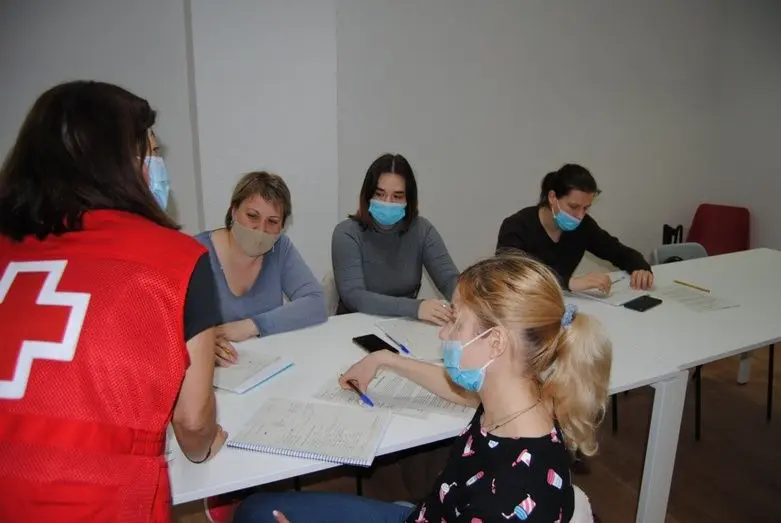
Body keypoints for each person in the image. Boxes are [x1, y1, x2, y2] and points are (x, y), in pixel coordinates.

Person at [232, 252, 613, 523]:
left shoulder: (508, 500)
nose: (444, 334)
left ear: (496, 343)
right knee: (255, 510)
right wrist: (386, 359)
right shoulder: (521, 395)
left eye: (457, 323)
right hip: (429, 512)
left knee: (257, 515)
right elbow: (458, 391)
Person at [0, 80, 226, 522]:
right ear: (118, 163)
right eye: (150, 153)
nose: (157, 167)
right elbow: (193, 422)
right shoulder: (175, 260)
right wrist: (206, 446)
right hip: (99, 503)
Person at [195, 171, 327, 366]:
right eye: (252, 216)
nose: (260, 229)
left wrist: (251, 326)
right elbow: (169, 326)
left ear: (282, 226)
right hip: (213, 370)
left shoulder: (279, 248)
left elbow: (316, 303)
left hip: (267, 366)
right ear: (234, 211)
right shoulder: (195, 252)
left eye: (272, 222)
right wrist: (200, 345)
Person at [332, 153, 458, 325]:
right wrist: (415, 308)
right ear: (368, 195)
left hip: (405, 325)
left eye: (397, 196)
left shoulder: (422, 229)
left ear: (409, 200)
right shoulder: (347, 233)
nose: (388, 202)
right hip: (355, 326)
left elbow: (450, 280)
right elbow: (355, 296)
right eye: (379, 194)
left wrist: (469, 305)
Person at [496, 164, 654, 294]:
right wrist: (569, 282)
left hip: (565, 304)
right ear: (553, 197)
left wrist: (640, 268)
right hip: (523, 309)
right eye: (573, 206)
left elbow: (618, 251)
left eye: (586, 208)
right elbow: (509, 276)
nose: (580, 215)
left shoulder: (584, 226)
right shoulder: (517, 226)